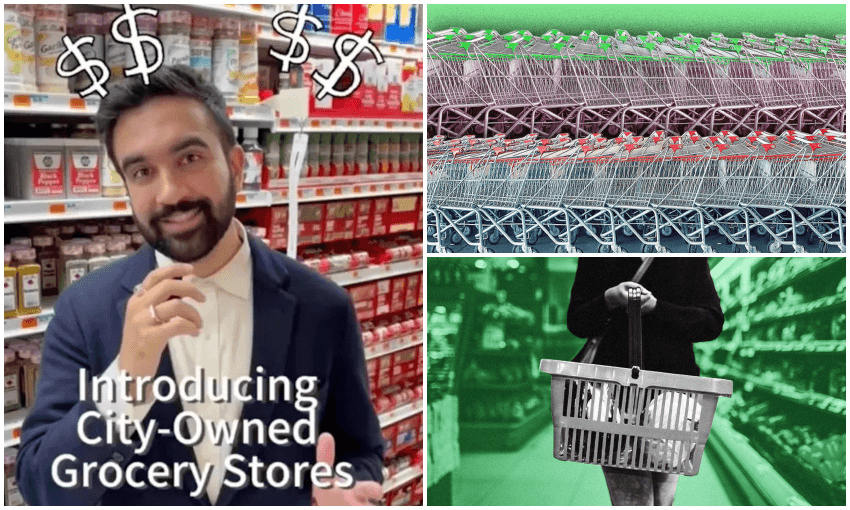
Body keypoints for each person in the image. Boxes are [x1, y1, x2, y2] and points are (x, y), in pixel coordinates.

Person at [16, 66, 384, 506]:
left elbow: (357, 450)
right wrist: (126, 380)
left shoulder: (324, 307)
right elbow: (43, 487)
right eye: (142, 172)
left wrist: (347, 490)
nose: (169, 193)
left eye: (188, 158)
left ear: (234, 164)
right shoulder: (84, 311)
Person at [566, 257, 723, 506]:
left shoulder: (686, 254)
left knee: (662, 496)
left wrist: (657, 308)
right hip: (611, 395)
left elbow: (712, 323)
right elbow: (577, 321)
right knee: (630, 500)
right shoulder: (600, 250)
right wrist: (609, 298)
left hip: (673, 394)